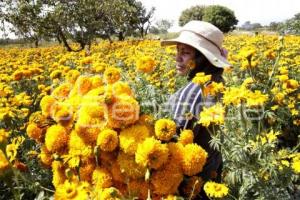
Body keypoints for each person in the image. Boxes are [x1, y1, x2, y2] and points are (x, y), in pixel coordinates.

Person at [161, 20, 231, 199]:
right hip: (210, 170)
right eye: (178, 50)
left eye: (185, 52)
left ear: (202, 58)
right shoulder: (216, 81)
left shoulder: (195, 90)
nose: (177, 58)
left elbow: (176, 138)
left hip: (192, 181)